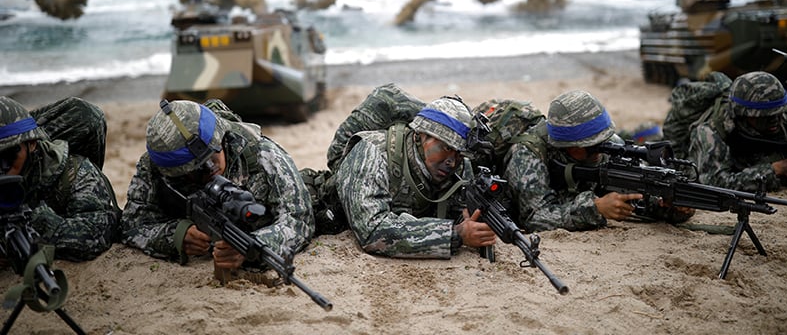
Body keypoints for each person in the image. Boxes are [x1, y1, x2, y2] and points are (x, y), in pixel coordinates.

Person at [121, 99, 314, 270]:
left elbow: (299, 219)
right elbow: (132, 224)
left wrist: (252, 247)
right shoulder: (154, 168)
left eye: (213, 156)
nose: (211, 169)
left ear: (221, 137)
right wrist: (176, 235)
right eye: (196, 171)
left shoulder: (263, 154)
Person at [501, 90, 694, 232]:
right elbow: (535, 218)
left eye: (604, 142)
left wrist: (668, 204)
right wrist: (595, 208)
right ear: (568, 145)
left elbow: (635, 192)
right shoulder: (527, 155)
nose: (600, 152)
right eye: (592, 146)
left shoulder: (610, 145)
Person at [333, 95, 496, 258]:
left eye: (459, 154)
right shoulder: (372, 152)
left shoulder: (461, 167)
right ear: (420, 135)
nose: (452, 162)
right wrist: (455, 234)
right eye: (446, 148)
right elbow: (372, 231)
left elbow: (458, 212)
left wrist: (471, 220)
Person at [0, 96, 119, 261]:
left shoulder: (72, 172)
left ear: (32, 143)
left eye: (8, 155)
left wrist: (44, 223)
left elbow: (97, 233)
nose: (2, 168)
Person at [688, 71, 787, 192]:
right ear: (743, 114)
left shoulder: (785, 121)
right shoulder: (711, 133)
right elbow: (715, 183)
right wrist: (775, 170)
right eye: (765, 116)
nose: (775, 120)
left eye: (778, 113)